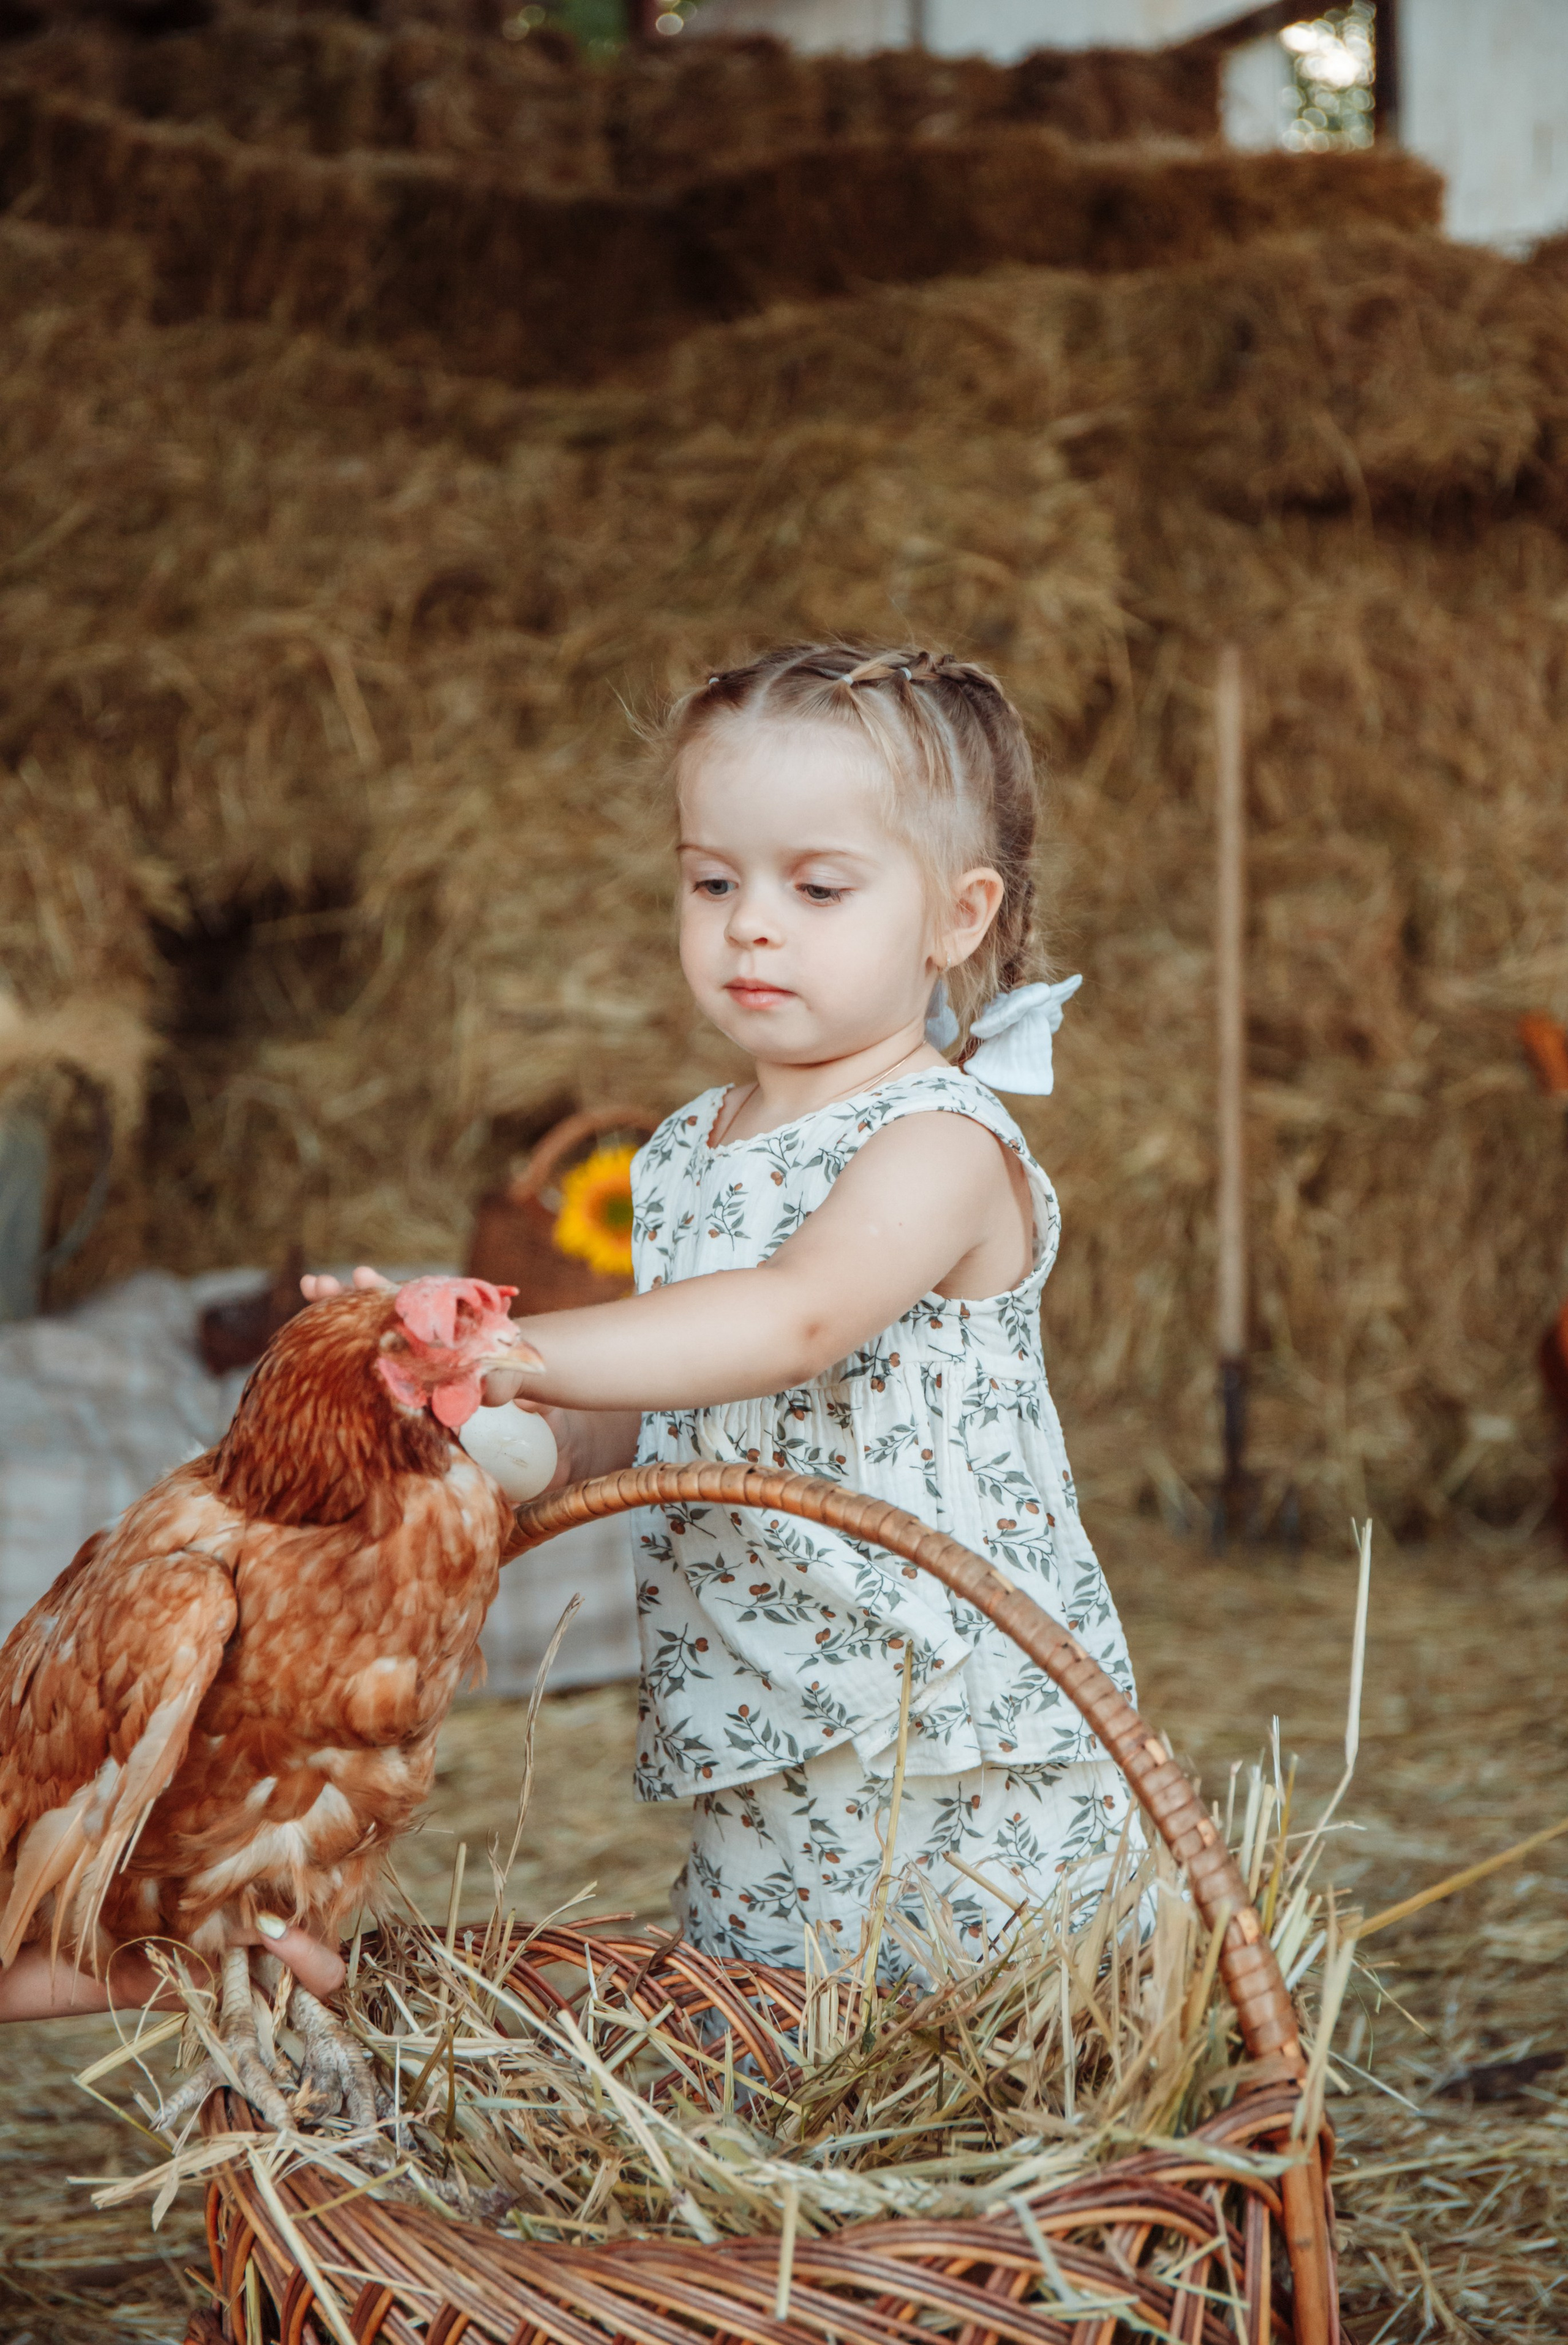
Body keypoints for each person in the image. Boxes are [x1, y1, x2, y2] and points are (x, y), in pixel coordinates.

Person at [316, 644, 1138, 1976]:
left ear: (957, 918)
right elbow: (642, 1414)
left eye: (817, 887)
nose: (751, 922)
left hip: (951, 1736)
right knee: (775, 2052)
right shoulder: (687, 1147)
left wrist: (521, 1349)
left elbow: (793, 1317)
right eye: (712, 881)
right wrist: (456, 1400)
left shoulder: (936, 1141)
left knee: (983, 2051)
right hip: (756, 1722)